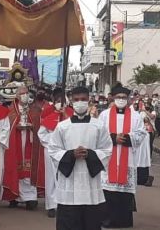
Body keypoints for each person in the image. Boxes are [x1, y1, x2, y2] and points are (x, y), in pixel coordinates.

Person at [48, 86, 112, 230]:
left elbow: (107, 150)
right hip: (69, 183)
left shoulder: (98, 126)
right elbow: (53, 150)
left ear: (89, 100)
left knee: (91, 222)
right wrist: (71, 155)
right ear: (71, 101)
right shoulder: (62, 127)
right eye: (76, 100)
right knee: (68, 221)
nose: (80, 103)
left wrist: (90, 155)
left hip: (90, 183)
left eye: (83, 99)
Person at [99, 83, 147, 228]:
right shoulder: (104, 115)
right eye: (118, 97)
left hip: (127, 158)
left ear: (128, 99)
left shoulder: (136, 116)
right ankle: (106, 219)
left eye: (124, 97)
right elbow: (98, 134)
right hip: (109, 158)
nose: (121, 99)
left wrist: (125, 138)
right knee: (108, 191)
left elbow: (141, 133)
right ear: (113, 98)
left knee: (123, 193)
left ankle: (123, 220)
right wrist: (114, 138)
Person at [2, 86, 43, 210]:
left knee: (28, 170)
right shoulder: (11, 110)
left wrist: (32, 127)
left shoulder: (35, 109)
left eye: (26, 93)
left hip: (30, 142)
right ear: (17, 96)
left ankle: (30, 197)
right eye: (22, 93)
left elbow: (40, 125)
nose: (25, 95)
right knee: (15, 168)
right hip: (16, 142)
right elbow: (7, 126)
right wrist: (16, 127)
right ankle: (14, 196)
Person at [38, 88, 74, 218]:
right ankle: (52, 205)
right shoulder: (49, 115)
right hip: (51, 151)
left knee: (66, 176)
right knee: (51, 178)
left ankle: (64, 204)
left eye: (62, 101)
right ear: (54, 102)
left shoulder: (71, 114)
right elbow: (42, 134)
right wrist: (53, 143)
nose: (60, 104)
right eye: (58, 101)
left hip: (67, 151)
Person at [136, 104, 155, 186]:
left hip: (147, 134)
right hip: (139, 136)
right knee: (138, 157)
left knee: (144, 155)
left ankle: (145, 178)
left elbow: (151, 117)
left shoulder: (152, 112)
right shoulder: (139, 114)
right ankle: (139, 177)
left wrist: (145, 111)